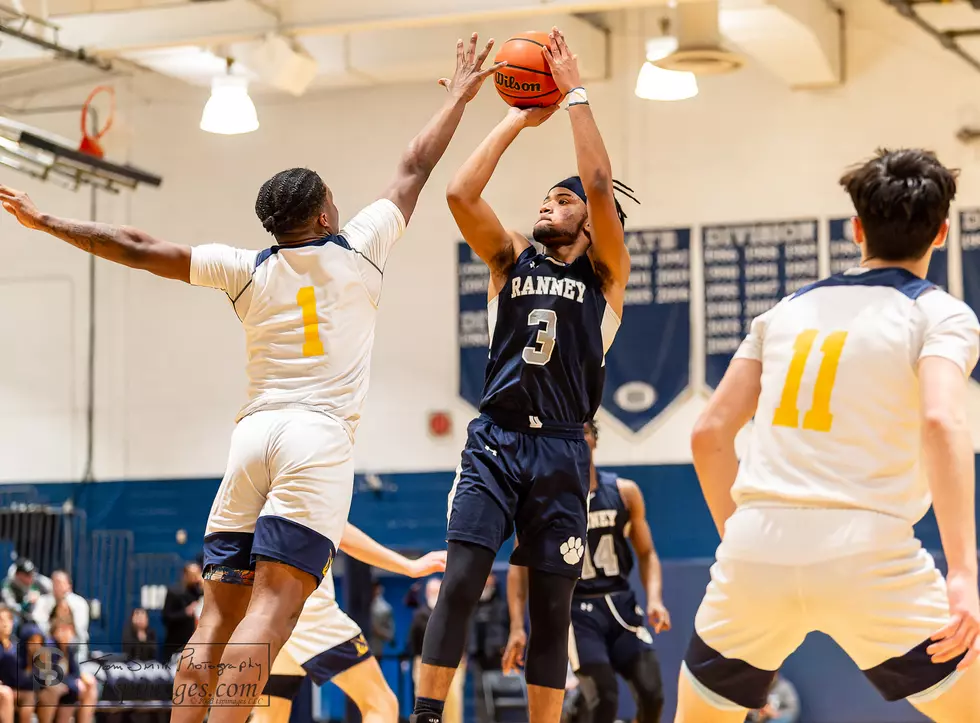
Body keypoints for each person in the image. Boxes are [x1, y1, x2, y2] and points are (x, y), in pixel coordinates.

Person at [0, 31, 503, 723]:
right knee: (272, 609)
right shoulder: (359, 250)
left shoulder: (248, 267)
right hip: (316, 439)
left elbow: (140, 246)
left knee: (215, 618)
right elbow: (415, 165)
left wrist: (46, 219)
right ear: (326, 215)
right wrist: (460, 97)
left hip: (252, 438)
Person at [675, 149, 980, 723]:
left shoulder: (784, 310)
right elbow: (942, 420)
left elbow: (709, 433)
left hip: (755, 549)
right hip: (869, 553)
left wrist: (744, 544)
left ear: (856, 229)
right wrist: (963, 574)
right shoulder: (941, 314)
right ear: (941, 233)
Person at [412, 27, 631, 723]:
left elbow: (597, 182)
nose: (549, 203)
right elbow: (457, 192)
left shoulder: (605, 279)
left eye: (563, 202)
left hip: (564, 447)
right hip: (496, 440)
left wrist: (575, 96)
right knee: (462, 580)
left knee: (551, 606)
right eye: (546, 196)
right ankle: (424, 715)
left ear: (593, 226)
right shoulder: (510, 260)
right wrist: (515, 113)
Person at [506, 419, 668, 723]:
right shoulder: (543, 500)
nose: (578, 439)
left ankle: (578, 709)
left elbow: (647, 553)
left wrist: (655, 599)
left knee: (652, 694)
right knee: (603, 697)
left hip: (621, 605)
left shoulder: (624, 492)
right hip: (577, 612)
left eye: (583, 431)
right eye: (569, 433)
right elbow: (519, 569)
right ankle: (576, 711)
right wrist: (517, 626)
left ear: (594, 438)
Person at [251, 523, 445, 723]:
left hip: (265, 611)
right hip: (307, 610)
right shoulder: (318, 495)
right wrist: (409, 566)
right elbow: (340, 531)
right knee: (381, 704)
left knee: (270, 714)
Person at [469, 574, 509, 723]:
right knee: (480, 694)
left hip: (497, 656)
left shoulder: (502, 605)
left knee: (498, 692)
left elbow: (509, 628)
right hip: (478, 656)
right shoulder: (474, 607)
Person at [33, 572, 89, 658]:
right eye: (54, 582)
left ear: (69, 585)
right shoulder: (43, 600)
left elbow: (79, 629)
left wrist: (64, 634)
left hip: (74, 644)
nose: (57, 586)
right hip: (49, 642)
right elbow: (39, 623)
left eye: (60, 582)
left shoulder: (80, 603)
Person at [161, 563, 202, 657]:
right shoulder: (174, 592)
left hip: (195, 644)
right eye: (193, 575)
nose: (195, 578)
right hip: (177, 644)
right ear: (185, 575)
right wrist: (185, 612)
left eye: (197, 574)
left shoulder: (199, 592)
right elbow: (166, 617)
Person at [1, 560, 50, 625]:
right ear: (18, 575)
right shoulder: (7, 586)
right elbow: (12, 608)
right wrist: (27, 601)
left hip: (34, 616)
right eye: (27, 574)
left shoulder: (35, 579)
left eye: (31, 573)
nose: (31, 577)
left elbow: (51, 588)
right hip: (15, 618)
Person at [369, 582, 395, 658]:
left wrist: (377, 631)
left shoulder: (385, 609)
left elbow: (390, 634)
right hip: (357, 652)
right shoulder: (357, 606)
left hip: (375, 652)